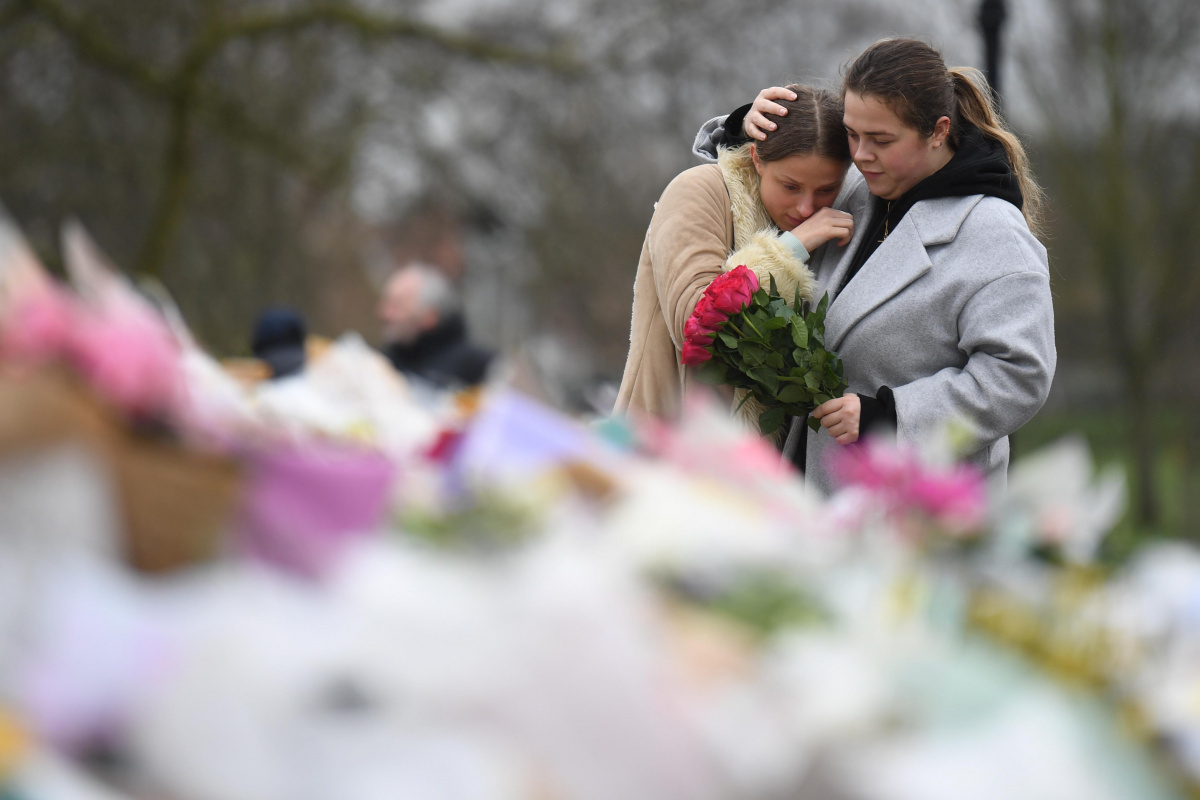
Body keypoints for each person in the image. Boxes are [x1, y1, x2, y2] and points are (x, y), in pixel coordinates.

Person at [693, 38, 1056, 493]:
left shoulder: (995, 234)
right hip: (811, 496)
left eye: (881, 140)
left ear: (939, 131)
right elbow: (765, 189)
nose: (860, 155)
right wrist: (749, 126)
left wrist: (891, 416)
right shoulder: (858, 187)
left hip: (920, 513)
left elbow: (1019, 377)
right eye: (852, 133)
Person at [614, 84, 856, 430]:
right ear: (757, 158)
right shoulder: (697, 190)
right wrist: (789, 250)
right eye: (790, 186)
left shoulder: (835, 218)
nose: (806, 208)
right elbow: (694, 326)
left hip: (757, 469)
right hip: (666, 452)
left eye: (826, 190)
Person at [378, 262, 493, 388]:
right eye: (386, 303)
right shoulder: (379, 364)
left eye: (398, 306)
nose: (384, 314)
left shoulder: (480, 367)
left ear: (430, 317)